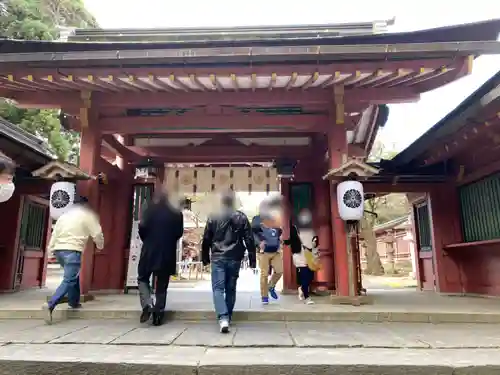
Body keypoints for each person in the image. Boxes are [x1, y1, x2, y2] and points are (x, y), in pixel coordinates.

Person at [42, 196, 104, 324]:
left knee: (73, 276)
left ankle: (74, 302)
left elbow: (55, 234)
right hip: (73, 249)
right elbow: (97, 233)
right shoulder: (87, 216)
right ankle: (51, 304)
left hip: (59, 250)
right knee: (69, 279)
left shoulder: (64, 216)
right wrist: (100, 245)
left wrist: (51, 250)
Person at [201, 190, 256, 333]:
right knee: (231, 288)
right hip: (235, 257)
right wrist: (252, 260)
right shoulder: (241, 217)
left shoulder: (213, 216)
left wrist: (205, 257)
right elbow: (249, 239)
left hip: (218, 257)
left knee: (218, 288)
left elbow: (206, 238)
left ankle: (223, 317)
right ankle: (228, 316)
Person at [137, 190, 183, 326]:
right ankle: (159, 313)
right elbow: (178, 233)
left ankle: (147, 304)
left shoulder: (149, 211)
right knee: (162, 284)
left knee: (142, 278)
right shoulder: (177, 213)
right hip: (167, 251)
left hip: (149, 250)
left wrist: (148, 240)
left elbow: (142, 229)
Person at [253, 203, 283, 305]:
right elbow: (252, 233)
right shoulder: (257, 219)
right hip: (263, 252)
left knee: (279, 271)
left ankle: (271, 286)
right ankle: (264, 296)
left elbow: (280, 231)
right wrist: (258, 242)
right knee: (264, 274)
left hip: (275, 250)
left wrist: (280, 239)